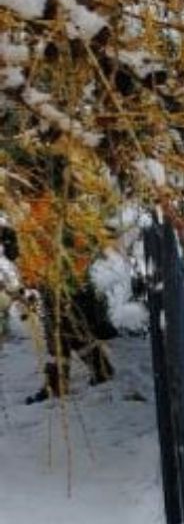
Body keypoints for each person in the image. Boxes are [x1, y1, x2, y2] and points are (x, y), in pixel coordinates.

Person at [10, 161, 116, 402]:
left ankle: (58, 384)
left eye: (20, 177)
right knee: (69, 332)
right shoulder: (45, 205)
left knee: (57, 332)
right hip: (63, 278)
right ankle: (99, 368)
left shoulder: (42, 209)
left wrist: (31, 277)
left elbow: (41, 249)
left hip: (59, 280)